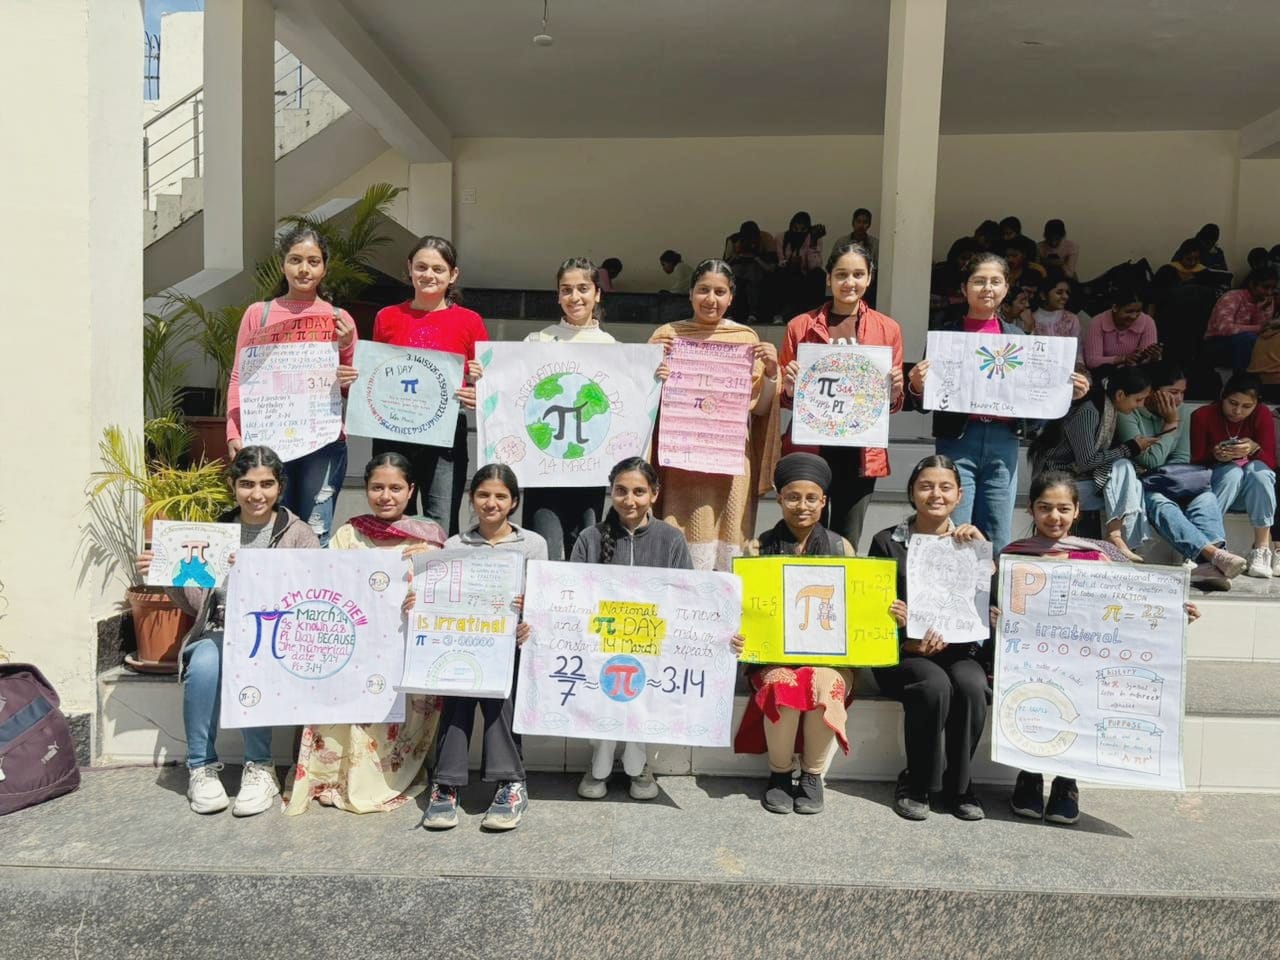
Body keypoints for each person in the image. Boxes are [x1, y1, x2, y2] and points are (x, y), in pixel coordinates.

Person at [1000, 471, 1198, 825]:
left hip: (1086, 660)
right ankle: (1029, 776)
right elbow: (996, 606)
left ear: (1077, 511)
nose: (1054, 517)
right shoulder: (1012, 555)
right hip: (1031, 660)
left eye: (1064, 508)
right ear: (1031, 509)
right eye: (1045, 508)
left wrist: (1174, 613)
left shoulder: (1100, 556)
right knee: (1033, 698)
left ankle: (1066, 782)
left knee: (1082, 694)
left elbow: (1134, 604)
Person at [135, 446, 320, 816]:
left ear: (280, 487)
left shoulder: (299, 535)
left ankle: (260, 766)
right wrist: (166, 572)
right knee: (204, 663)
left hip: (273, 635)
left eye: (266, 484)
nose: (257, 494)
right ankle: (200, 767)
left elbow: (311, 595)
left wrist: (261, 569)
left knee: (250, 657)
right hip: (219, 630)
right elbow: (195, 604)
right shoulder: (214, 533)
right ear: (233, 486)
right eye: (247, 484)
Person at [284, 453, 447, 815]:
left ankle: (383, 776)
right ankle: (333, 774)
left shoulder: (430, 540)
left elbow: (444, 599)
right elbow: (327, 587)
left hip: (406, 652)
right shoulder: (348, 534)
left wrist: (427, 576)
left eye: (395, 488)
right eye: (377, 487)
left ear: (411, 491)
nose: (385, 496)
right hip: (355, 648)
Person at [908, 253, 1090, 552]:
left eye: (995, 281)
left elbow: (1032, 405)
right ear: (964, 288)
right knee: (953, 527)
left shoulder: (1019, 337)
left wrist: (1064, 393)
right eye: (979, 281)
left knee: (996, 528)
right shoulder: (946, 336)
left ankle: (992, 584)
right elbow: (925, 401)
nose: (987, 288)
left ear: (1006, 288)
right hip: (958, 440)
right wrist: (917, 385)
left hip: (1004, 442)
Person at [868, 455, 990, 822]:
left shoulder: (973, 543)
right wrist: (903, 635)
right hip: (904, 653)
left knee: (971, 684)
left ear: (959, 495)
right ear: (911, 492)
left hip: (960, 651)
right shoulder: (886, 542)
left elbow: (987, 605)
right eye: (925, 486)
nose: (935, 494)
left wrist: (984, 554)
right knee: (934, 684)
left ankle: (960, 785)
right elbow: (869, 610)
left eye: (945, 487)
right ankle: (917, 781)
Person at [733, 453, 856, 815]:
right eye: (793, 497)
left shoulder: (841, 548)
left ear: (824, 501)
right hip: (774, 656)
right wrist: (739, 633)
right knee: (782, 685)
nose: (802, 506)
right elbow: (742, 607)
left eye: (811, 498)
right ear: (779, 499)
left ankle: (813, 775)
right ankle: (780, 773)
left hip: (831, 658)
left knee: (824, 684)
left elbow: (856, 605)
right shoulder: (757, 548)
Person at [424, 464, 545, 831]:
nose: (491, 503)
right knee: (456, 700)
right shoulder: (454, 545)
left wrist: (529, 616)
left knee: (501, 701)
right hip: (464, 641)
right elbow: (442, 598)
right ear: (472, 499)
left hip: (511, 645)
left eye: (500, 496)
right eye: (483, 495)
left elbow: (545, 598)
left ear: (514, 502)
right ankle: (445, 785)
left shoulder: (533, 544)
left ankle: (511, 783)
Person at [571, 458, 698, 800]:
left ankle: (637, 759)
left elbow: (687, 595)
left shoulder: (671, 539)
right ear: (610, 492)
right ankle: (600, 755)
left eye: (639, 492)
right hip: (599, 641)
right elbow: (573, 594)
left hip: (654, 644)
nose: (630, 500)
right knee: (603, 688)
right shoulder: (589, 537)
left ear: (654, 494)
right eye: (621, 491)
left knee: (643, 692)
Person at [225, 227, 358, 546]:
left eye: (313, 261)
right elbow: (239, 376)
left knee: (315, 533)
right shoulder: (258, 314)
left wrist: (346, 347)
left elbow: (352, 388)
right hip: (268, 438)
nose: (304, 269)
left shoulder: (340, 319)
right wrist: (232, 431)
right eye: (295, 260)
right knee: (266, 532)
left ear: (324, 267)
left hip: (323, 442)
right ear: (282, 264)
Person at [649, 259, 782, 571]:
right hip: (680, 463)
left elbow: (761, 408)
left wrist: (772, 373)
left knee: (727, 552)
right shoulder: (668, 335)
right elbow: (645, 400)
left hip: (730, 463)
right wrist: (647, 360)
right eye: (703, 290)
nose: (711, 299)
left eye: (720, 292)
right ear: (690, 294)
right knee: (677, 550)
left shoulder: (745, 339)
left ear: (731, 297)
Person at [779, 241, 904, 549]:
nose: (850, 282)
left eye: (858, 274)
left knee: (847, 539)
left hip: (860, 451)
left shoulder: (888, 329)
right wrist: (789, 387)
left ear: (869, 278)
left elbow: (891, 405)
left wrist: (894, 392)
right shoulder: (800, 326)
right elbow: (783, 397)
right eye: (841, 274)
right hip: (811, 445)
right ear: (828, 278)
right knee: (804, 534)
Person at [370, 236, 488, 535]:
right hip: (392, 431)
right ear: (409, 268)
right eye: (421, 267)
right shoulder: (387, 317)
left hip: (445, 434)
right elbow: (376, 375)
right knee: (394, 518)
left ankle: (438, 567)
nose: (429, 275)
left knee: (441, 521)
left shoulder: (470, 321)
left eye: (438, 269)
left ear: (453, 274)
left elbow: (487, 383)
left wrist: (477, 388)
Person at [1115, 364, 1246, 586]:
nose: (1178, 399)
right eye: (1173, 392)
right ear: (1152, 391)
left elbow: (1181, 458)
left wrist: (1166, 471)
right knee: (1160, 503)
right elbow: (1150, 460)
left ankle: (1209, 566)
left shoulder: (1183, 411)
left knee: (1205, 498)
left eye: (1182, 393)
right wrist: (1170, 423)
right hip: (1142, 484)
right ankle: (1215, 556)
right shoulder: (1129, 412)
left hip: (1172, 480)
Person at [1030, 365, 1154, 561]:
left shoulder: (1108, 410)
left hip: (1081, 480)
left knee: (1134, 483)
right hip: (1058, 485)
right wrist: (1129, 448)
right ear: (1120, 394)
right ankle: (1117, 537)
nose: (1140, 405)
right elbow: (1086, 461)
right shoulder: (1089, 410)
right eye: (1138, 399)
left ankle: (1126, 544)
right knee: (1124, 467)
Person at [1190, 374, 1278, 578]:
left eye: (1247, 406)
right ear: (1223, 396)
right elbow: (1196, 464)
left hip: (1253, 495)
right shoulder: (1203, 415)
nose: (1238, 411)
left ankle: (1261, 549)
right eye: (1233, 403)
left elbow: (1271, 463)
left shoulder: (1262, 414)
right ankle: (1207, 544)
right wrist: (1215, 455)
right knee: (1232, 472)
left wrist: (1254, 448)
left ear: (1256, 404)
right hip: (1218, 489)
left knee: (1259, 471)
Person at [1207, 266, 1279, 372]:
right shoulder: (1232, 297)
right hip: (1218, 342)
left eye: (1273, 289)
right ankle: (1242, 377)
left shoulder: (1266, 301)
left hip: (1249, 341)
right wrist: (1259, 328)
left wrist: (1260, 309)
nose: (1269, 292)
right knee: (1247, 338)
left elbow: (1263, 331)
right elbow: (1224, 329)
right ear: (1252, 285)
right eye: (1265, 287)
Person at [1082, 286, 1160, 377]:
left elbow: (1144, 362)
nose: (1134, 316)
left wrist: (1153, 357)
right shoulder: (1097, 322)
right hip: (1105, 375)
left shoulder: (1147, 322)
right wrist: (1122, 359)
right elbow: (1092, 361)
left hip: (1135, 375)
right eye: (1129, 311)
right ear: (1115, 307)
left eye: (1138, 311)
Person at [723, 220, 776, 323]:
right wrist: (736, 255)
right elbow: (725, 265)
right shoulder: (734, 240)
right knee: (733, 281)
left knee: (752, 277)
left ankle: (753, 314)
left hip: (757, 268)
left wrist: (755, 257)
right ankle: (730, 313)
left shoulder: (765, 239)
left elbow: (771, 267)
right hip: (737, 268)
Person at [776, 211, 827, 319]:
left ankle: (813, 312)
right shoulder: (782, 237)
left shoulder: (813, 238)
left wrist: (813, 243)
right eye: (795, 228)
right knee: (781, 274)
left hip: (807, 274)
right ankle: (783, 312)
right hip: (788, 272)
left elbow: (815, 265)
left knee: (819, 274)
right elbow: (781, 261)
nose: (799, 232)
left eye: (802, 229)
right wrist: (790, 263)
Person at [1028, 274, 1084, 365]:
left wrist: (1079, 367)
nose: (1065, 296)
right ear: (1043, 295)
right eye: (1059, 292)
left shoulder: (1072, 319)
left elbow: (1078, 353)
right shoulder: (1030, 320)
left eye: (1067, 293)